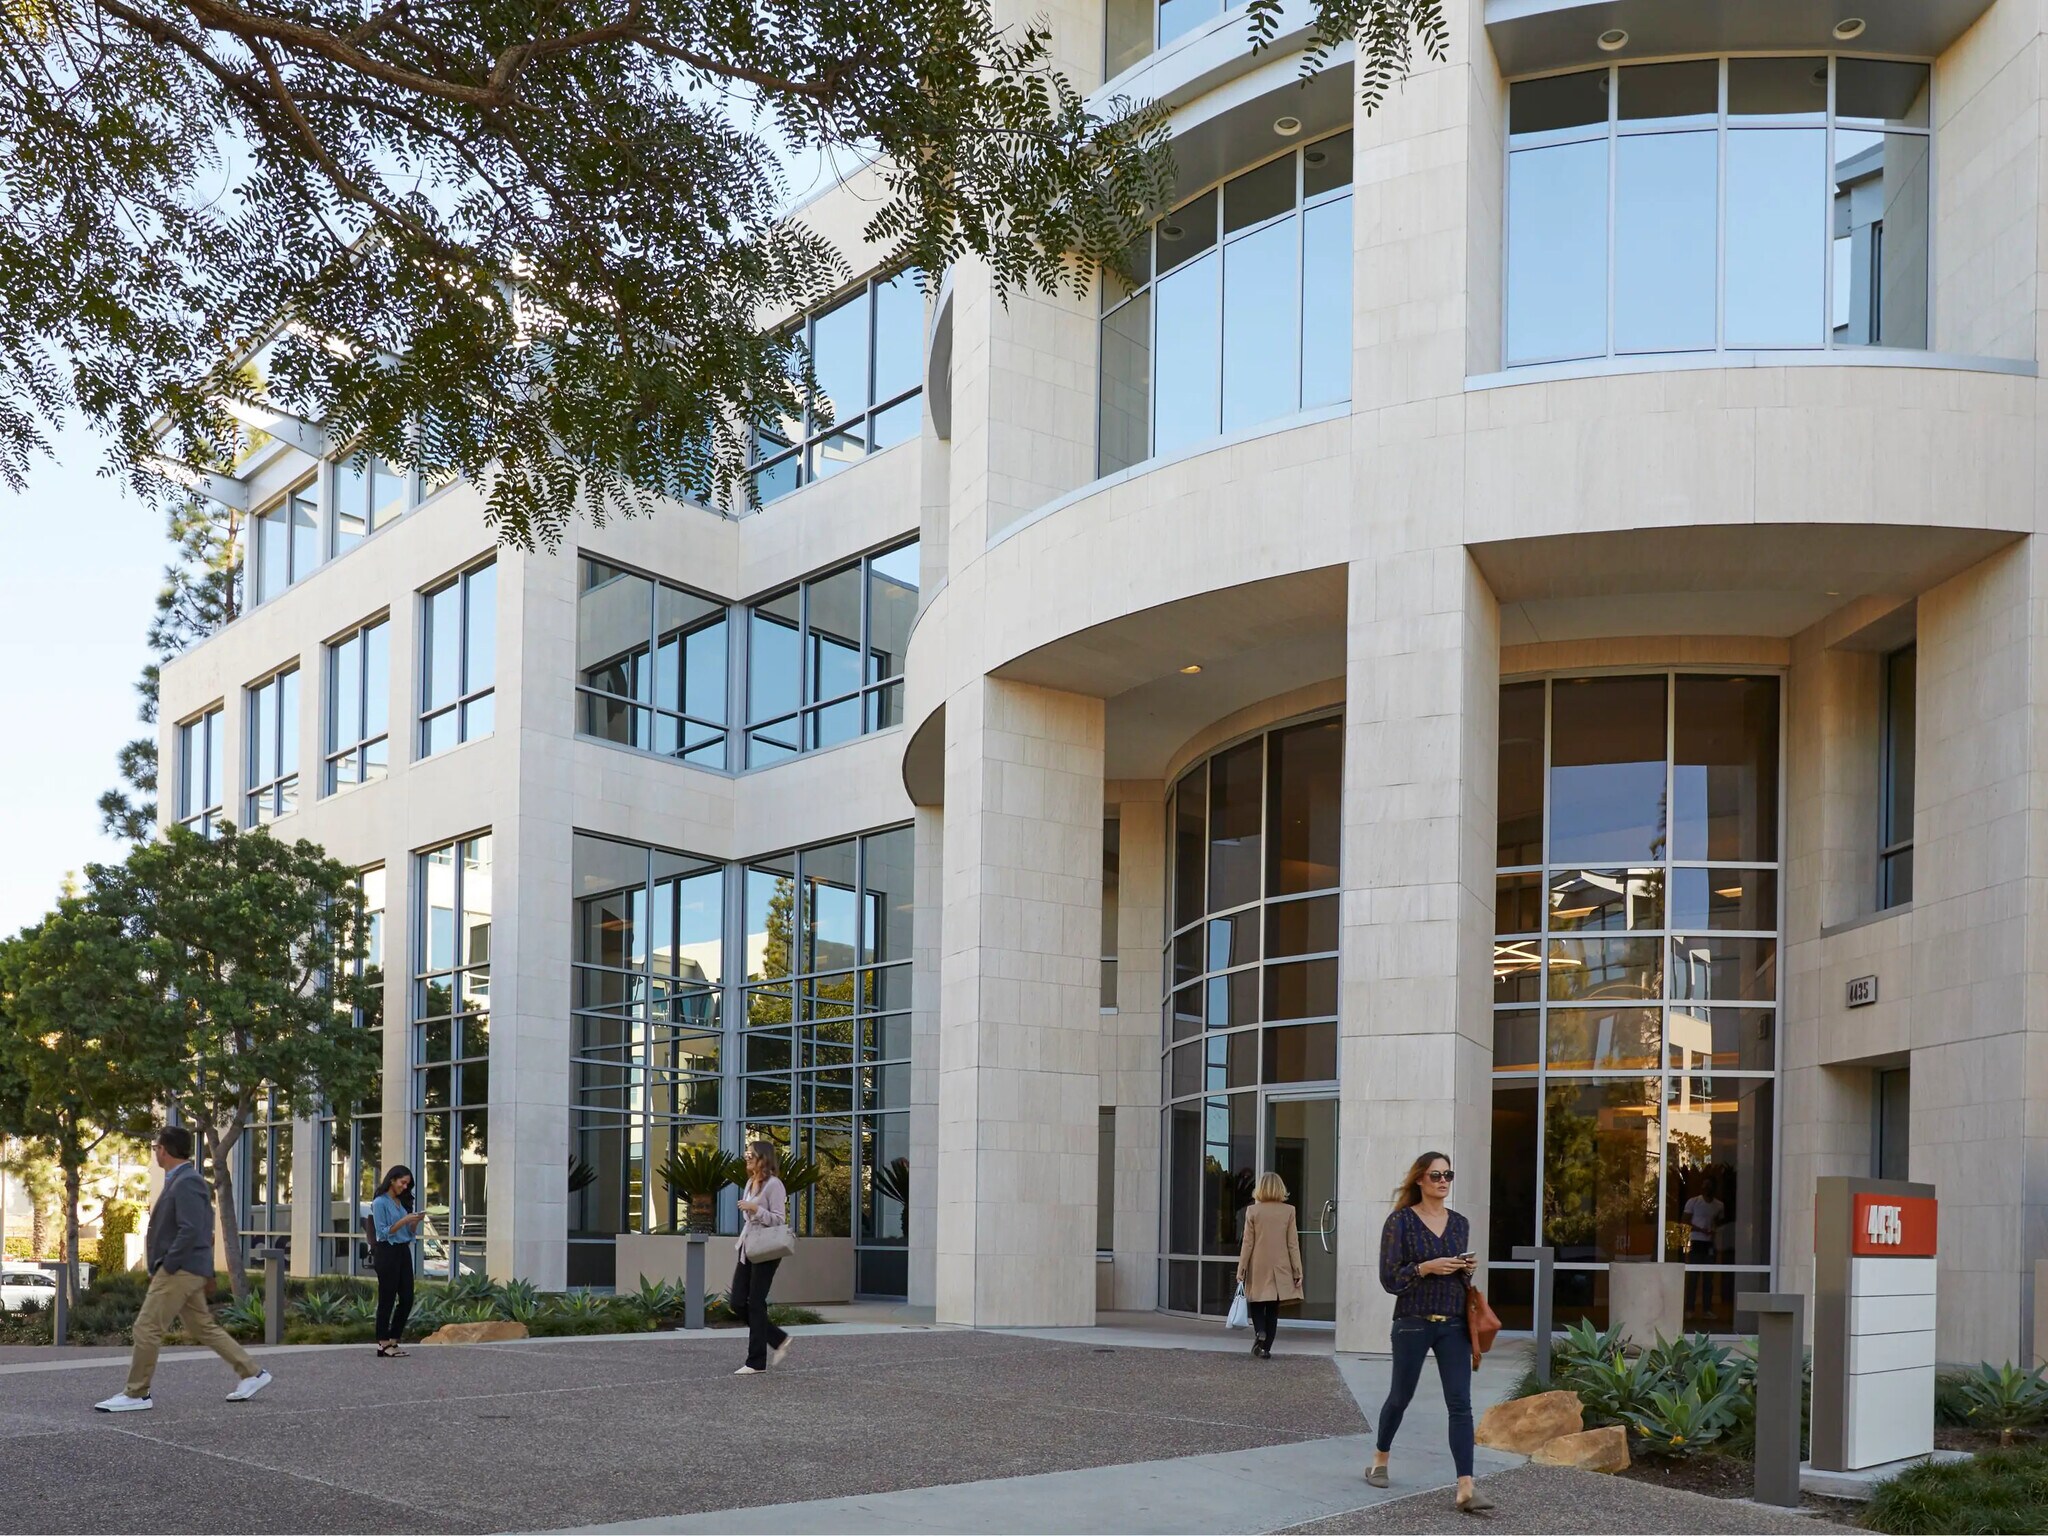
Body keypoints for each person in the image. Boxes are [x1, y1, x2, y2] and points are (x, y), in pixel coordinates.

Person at [95, 1126, 272, 1413]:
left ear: (163, 1150)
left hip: (180, 1269)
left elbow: (192, 1230)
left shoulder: (187, 1181)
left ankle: (137, 1393)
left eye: (156, 1148)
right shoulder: (182, 1179)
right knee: (201, 1326)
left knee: (147, 1327)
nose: (155, 1152)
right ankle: (252, 1373)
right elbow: (199, 1228)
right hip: (188, 1268)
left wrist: (168, 1264)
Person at [1367, 1150, 1492, 1515]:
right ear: (1420, 1179)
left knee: (1460, 1404)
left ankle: (1466, 1487)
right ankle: (1380, 1457)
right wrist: (1425, 1267)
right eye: (1435, 1175)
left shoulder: (1459, 1224)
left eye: (1447, 1176)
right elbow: (1390, 1278)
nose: (1442, 1182)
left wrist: (1466, 1268)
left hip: (1453, 1322)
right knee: (1400, 1397)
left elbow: (1460, 1277)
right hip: (1412, 1322)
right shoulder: (1400, 1222)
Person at [730, 1140, 791, 1376]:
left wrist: (755, 1209)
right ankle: (777, 1338)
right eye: (747, 1153)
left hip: (766, 1249)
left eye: (751, 1153)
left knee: (755, 1302)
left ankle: (755, 1362)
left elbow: (779, 1219)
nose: (747, 1157)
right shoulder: (750, 1183)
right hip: (748, 1247)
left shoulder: (774, 1185)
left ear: (763, 1157)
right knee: (737, 1302)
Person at [1236, 1171, 1303, 1359]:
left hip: (1258, 1265)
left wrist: (1242, 1269)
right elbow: (1292, 1243)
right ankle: (1266, 1349)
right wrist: (1297, 1270)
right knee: (1273, 1309)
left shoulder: (1253, 1211)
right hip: (1280, 1266)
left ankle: (1259, 1332)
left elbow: (1247, 1243)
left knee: (1256, 1304)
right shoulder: (1289, 1211)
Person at [370, 1166, 427, 1357]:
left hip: (403, 1251)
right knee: (387, 1298)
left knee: (407, 1297)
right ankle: (383, 1343)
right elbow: (382, 1232)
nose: (404, 1187)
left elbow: (408, 1233)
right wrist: (404, 1221)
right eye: (402, 1182)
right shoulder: (380, 1203)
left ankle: (394, 1339)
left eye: (407, 1184)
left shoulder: (401, 1203)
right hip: (387, 1252)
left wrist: (415, 1221)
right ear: (392, 1180)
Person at [1682, 1175, 1726, 1317]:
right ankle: (1690, 1309)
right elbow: (1685, 1221)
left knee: (1708, 1278)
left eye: (1710, 1185)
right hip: (1696, 1241)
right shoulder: (1693, 1202)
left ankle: (1707, 1309)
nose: (1707, 1188)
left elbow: (1721, 1222)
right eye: (1705, 1185)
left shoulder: (1719, 1205)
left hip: (1710, 1243)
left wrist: (1714, 1229)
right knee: (1693, 1276)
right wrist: (1701, 1230)